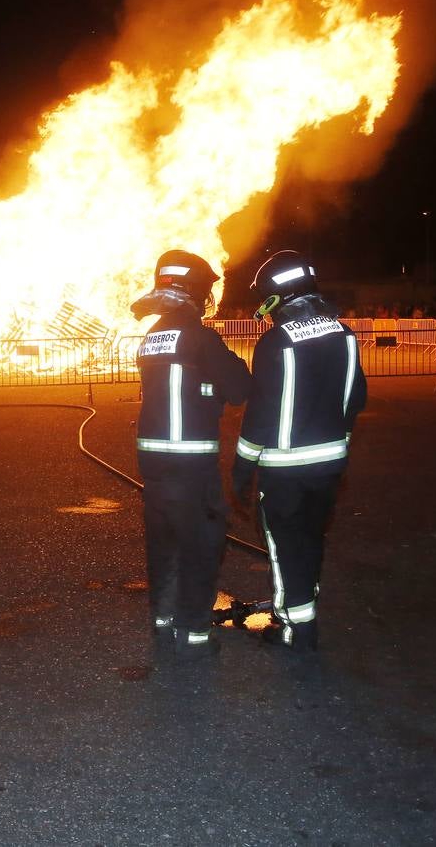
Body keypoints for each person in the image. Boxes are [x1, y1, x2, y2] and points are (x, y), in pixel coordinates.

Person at [231, 251, 366, 652]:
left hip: (285, 471)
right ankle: (302, 602)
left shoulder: (276, 341)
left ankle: (295, 628)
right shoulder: (344, 334)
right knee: (310, 538)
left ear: (276, 296)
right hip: (329, 467)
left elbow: (260, 413)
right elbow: (356, 397)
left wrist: (241, 468)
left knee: (285, 544)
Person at [132, 250, 251, 660]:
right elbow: (240, 387)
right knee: (201, 546)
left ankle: (164, 622)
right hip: (191, 465)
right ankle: (196, 635)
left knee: (164, 544)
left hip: (154, 464)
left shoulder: (151, 338)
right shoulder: (200, 338)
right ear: (196, 292)